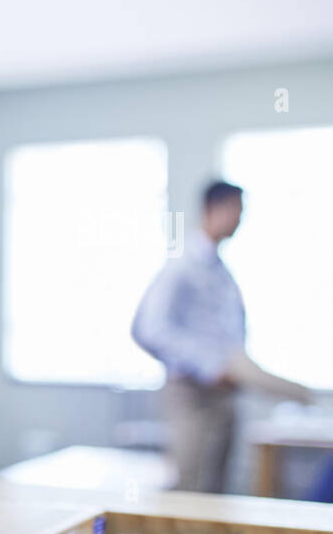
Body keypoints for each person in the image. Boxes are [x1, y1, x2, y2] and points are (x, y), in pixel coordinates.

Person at [132, 180, 312, 493]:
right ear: (214, 210)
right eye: (237, 213)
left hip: (225, 393)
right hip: (192, 392)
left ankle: (307, 396)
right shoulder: (181, 264)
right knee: (190, 485)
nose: (240, 221)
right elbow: (150, 328)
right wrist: (208, 366)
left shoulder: (221, 271)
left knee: (216, 488)